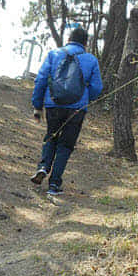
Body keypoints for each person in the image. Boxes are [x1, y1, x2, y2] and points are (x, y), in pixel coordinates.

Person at [30, 26, 103, 197]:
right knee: (66, 145)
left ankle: (43, 167)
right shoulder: (91, 60)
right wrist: (84, 100)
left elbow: (41, 80)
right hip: (76, 109)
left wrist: (37, 105)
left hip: (53, 104)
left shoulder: (54, 54)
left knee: (51, 137)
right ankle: (54, 184)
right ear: (86, 43)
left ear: (69, 39)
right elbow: (97, 87)